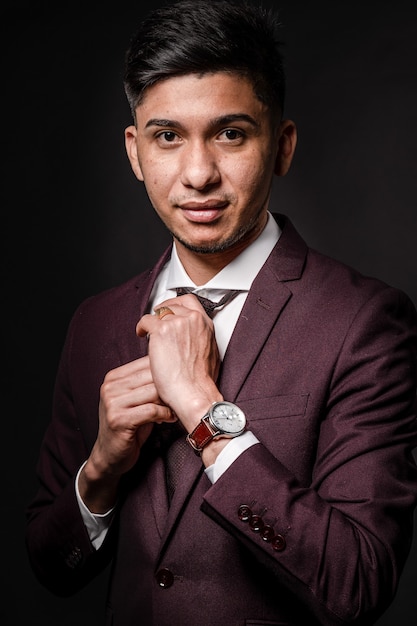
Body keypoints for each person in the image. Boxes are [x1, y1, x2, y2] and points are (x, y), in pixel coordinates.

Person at [25, 1, 417, 624]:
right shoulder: (94, 324)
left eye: (231, 133)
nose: (199, 173)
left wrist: (208, 419)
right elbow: (49, 565)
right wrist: (99, 471)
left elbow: (360, 582)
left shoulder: (364, 323)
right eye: (168, 137)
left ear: (282, 145)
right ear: (134, 152)